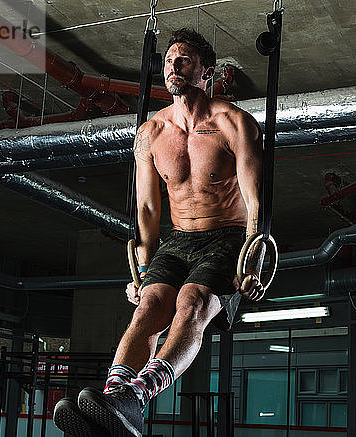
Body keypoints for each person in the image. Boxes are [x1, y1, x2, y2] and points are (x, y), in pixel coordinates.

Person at [54, 28, 265, 437]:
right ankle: (114, 400)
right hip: (178, 238)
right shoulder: (150, 132)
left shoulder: (235, 123)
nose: (173, 67)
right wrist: (144, 267)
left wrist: (252, 259)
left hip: (227, 235)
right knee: (148, 308)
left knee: (192, 302)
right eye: (169, 61)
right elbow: (148, 208)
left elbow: (256, 202)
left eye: (184, 60)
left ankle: (137, 397)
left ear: (206, 70)